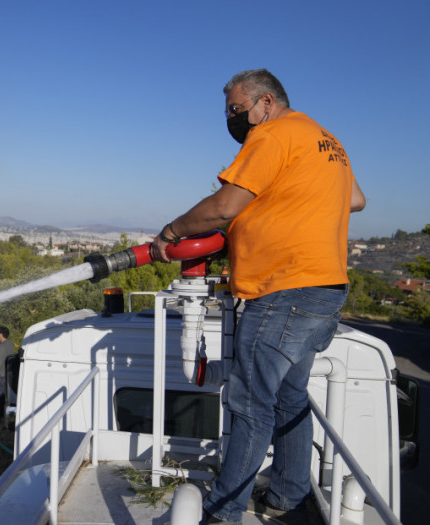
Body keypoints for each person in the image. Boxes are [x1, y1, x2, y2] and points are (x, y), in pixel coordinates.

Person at [149, 69, 366, 524]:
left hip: (284, 289)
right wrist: (291, 204)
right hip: (324, 288)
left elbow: (224, 206)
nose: (231, 119)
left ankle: (222, 512)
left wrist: (171, 232)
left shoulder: (272, 135)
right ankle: (287, 494)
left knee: (248, 402)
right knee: (289, 396)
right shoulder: (325, 139)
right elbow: (357, 199)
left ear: (265, 102)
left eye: (235, 109)